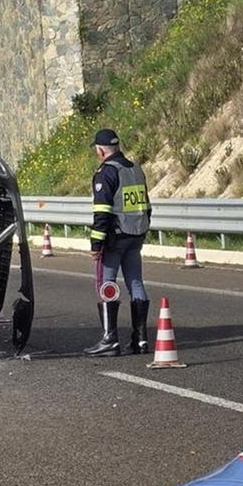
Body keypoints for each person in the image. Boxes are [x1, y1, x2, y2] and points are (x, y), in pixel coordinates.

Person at [84, 128, 151, 357]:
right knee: (136, 283)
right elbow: (147, 206)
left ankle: (109, 339)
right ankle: (140, 339)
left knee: (106, 284)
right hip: (136, 235)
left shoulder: (106, 173)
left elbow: (101, 212)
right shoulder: (135, 170)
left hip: (116, 237)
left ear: (101, 150)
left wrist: (96, 244)